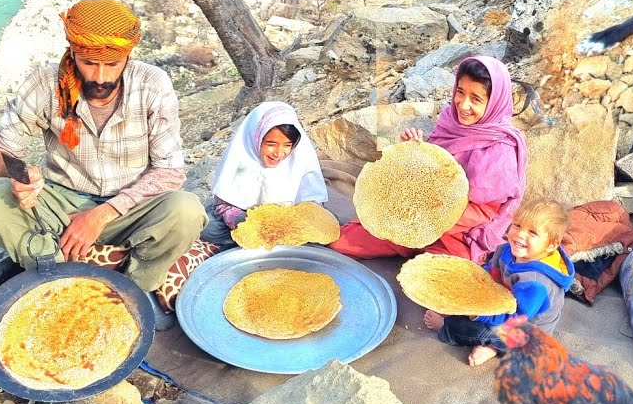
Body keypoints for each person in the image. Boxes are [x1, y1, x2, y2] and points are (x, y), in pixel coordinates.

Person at [0, 0, 206, 295]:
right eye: (88, 63)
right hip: (62, 202)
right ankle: (56, 274)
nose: (100, 76)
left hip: (131, 205)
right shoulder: (45, 84)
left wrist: (101, 215)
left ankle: (135, 289)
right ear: (72, 53)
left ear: (128, 56)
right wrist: (20, 174)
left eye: (112, 64)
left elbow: (170, 173)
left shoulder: (153, 85)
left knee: (187, 210)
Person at [330, 56, 528, 262]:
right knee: (342, 242)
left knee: (432, 276)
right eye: (460, 92)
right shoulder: (450, 122)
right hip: (411, 216)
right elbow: (430, 175)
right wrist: (414, 151)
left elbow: (484, 211)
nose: (463, 104)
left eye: (476, 99)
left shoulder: (501, 149)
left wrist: (427, 224)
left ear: (495, 102)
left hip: (457, 233)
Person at [424, 201, 574, 366]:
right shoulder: (507, 250)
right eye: (517, 225)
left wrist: (480, 314)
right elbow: (490, 272)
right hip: (504, 303)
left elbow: (515, 319)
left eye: (532, 232)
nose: (520, 234)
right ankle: (491, 344)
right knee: (462, 294)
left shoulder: (535, 283)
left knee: (473, 327)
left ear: (551, 245)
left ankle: (451, 330)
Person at [201, 101, 329, 248]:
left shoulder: (301, 160)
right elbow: (224, 205)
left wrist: (293, 222)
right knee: (208, 226)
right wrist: (245, 221)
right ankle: (259, 242)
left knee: (326, 224)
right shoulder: (240, 159)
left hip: (290, 221)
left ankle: (278, 242)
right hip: (248, 220)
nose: (279, 153)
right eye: (271, 144)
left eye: (287, 145)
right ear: (256, 138)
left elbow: (314, 205)